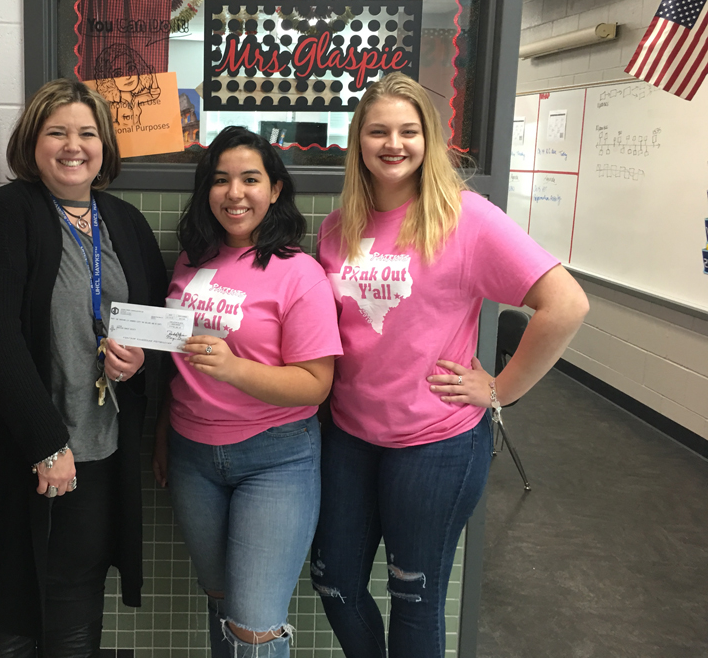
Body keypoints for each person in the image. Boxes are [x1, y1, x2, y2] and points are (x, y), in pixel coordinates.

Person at [310, 72, 589, 658]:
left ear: (429, 140)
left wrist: (501, 390)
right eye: (379, 130)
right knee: (333, 583)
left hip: (434, 444)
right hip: (350, 437)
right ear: (358, 140)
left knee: (414, 600)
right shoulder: (338, 228)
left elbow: (565, 304)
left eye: (409, 131)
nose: (394, 143)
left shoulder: (466, 217)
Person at [0, 78, 168, 658]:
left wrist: (137, 360)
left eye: (87, 133)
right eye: (57, 131)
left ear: (105, 145)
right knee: (6, 608)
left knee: (74, 605)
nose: (74, 145)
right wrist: (46, 443)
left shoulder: (126, 222)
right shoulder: (1, 214)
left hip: (97, 453)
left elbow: (151, 321)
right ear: (32, 143)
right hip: (16, 455)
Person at [153, 127, 343, 658]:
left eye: (250, 179)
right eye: (220, 180)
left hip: (276, 458)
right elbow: (179, 366)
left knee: (255, 627)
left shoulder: (299, 273)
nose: (234, 194)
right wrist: (165, 435)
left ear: (276, 189)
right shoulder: (190, 262)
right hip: (192, 457)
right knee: (223, 605)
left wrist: (233, 369)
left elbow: (316, 383)